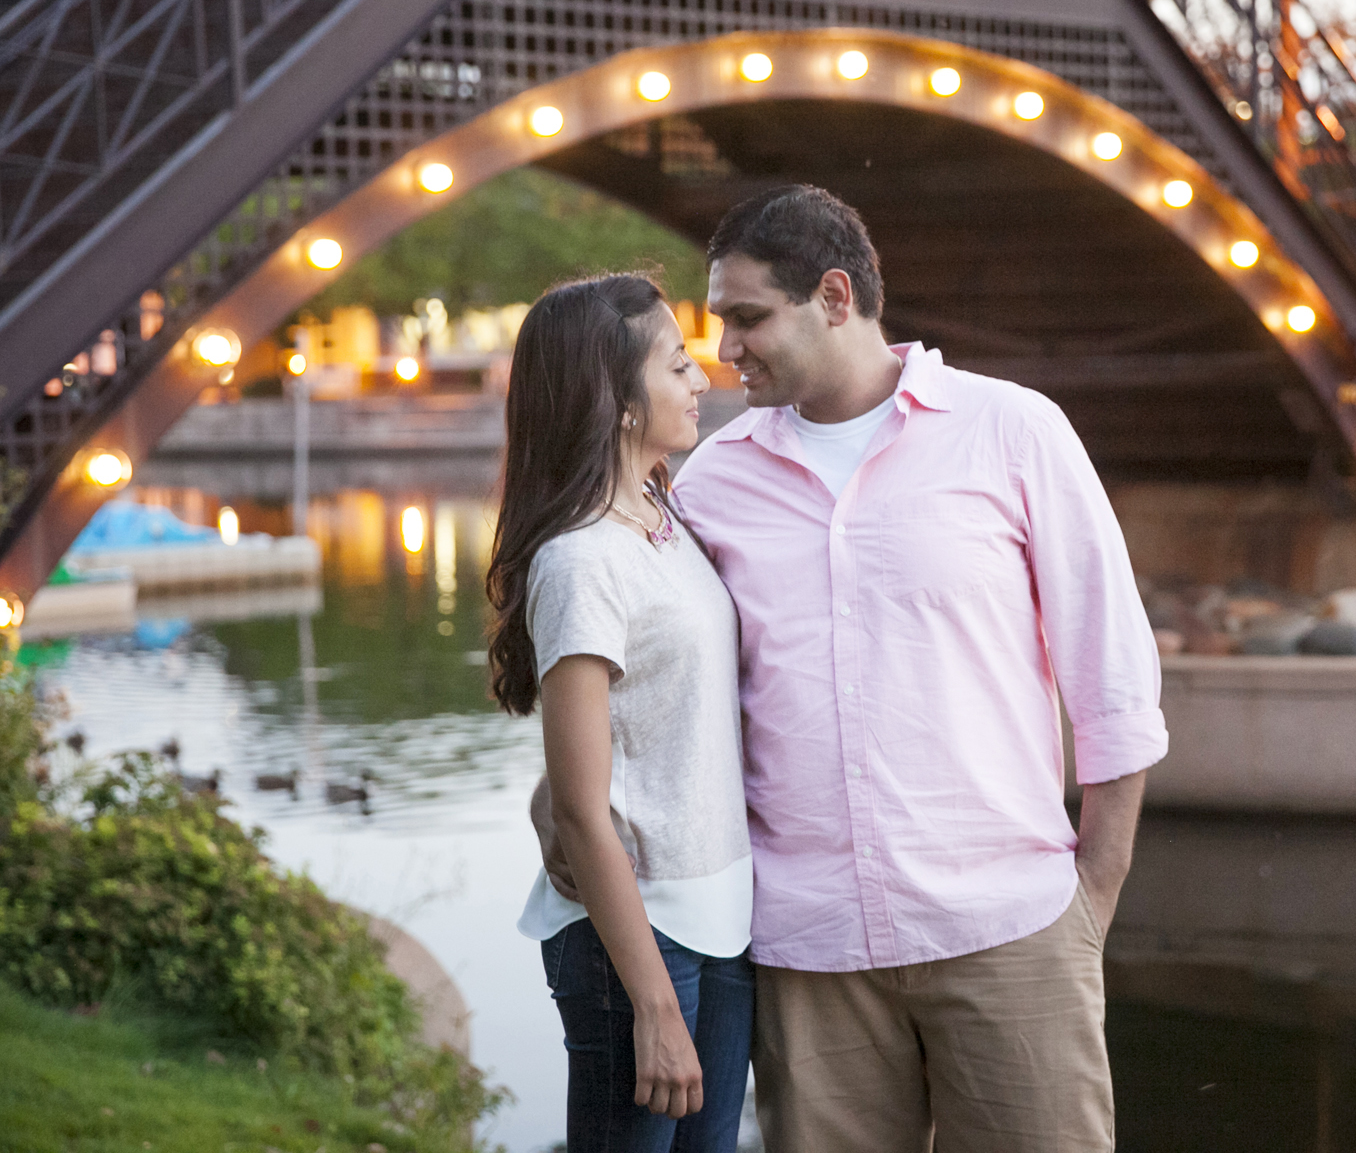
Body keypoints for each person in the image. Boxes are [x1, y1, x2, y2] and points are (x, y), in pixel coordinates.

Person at [672, 184, 1168, 1151]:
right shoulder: (713, 481)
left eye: (745, 318)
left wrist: (1091, 898)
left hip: (1009, 928)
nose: (724, 349)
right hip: (810, 956)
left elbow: (1111, 672)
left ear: (833, 296)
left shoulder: (1012, 429)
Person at [487, 273, 752, 1153]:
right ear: (617, 399)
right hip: (634, 943)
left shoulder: (662, 514)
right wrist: (653, 1003)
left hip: (719, 920)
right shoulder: (581, 561)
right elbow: (580, 807)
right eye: (677, 364)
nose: (700, 377)